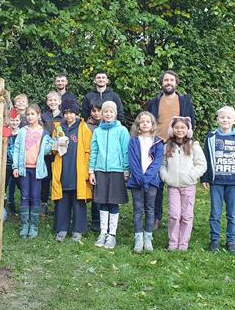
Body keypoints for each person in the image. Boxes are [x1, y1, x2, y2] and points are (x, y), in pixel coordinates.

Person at [146, 70, 196, 230]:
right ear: (162, 83)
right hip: (158, 145)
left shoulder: (184, 101)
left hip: (177, 145)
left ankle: (180, 216)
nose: (168, 82)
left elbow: (190, 123)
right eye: (166, 80)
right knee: (158, 183)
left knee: (179, 184)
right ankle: (156, 217)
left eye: (171, 80)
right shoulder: (154, 102)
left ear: (176, 83)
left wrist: (186, 140)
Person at [202, 106, 235, 254]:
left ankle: (231, 240)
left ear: (234, 120)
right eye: (222, 117)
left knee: (232, 214)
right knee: (215, 213)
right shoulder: (211, 137)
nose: (225, 120)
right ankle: (215, 240)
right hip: (216, 181)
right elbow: (206, 159)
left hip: (233, 182)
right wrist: (205, 177)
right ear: (217, 120)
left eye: (229, 118)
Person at [160, 117, 207, 251]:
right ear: (172, 130)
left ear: (188, 130)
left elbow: (201, 164)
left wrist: (191, 176)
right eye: (177, 127)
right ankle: (173, 242)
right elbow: (162, 165)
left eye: (183, 128)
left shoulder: (194, 146)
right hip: (173, 186)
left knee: (186, 215)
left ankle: (183, 244)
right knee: (174, 214)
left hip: (188, 186)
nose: (180, 130)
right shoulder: (167, 146)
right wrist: (166, 177)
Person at [88, 101, 130, 249]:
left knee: (113, 202)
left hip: (116, 170)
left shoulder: (122, 130)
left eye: (111, 112)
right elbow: (94, 151)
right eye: (105, 112)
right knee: (102, 201)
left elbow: (125, 151)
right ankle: (103, 232)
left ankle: (112, 234)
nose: (108, 114)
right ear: (102, 114)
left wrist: (126, 169)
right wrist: (91, 170)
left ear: (115, 113)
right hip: (100, 170)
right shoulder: (98, 131)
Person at [51, 98, 92, 242]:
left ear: (76, 113)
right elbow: (53, 150)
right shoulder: (58, 128)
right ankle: (62, 229)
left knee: (78, 201)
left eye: (72, 113)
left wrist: (87, 170)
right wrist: (56, 146)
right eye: (66, 113)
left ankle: (78, 230)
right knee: (62, 201)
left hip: (78, 171)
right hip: (63, 170)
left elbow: (88, 150)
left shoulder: (83, 128)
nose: (69, 116)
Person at [12, 104, 54, 239]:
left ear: (38, 115)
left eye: (33, 114)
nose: (30, 117)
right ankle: (24, 225)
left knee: (35, 197)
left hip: (37, 170)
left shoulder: (44, 133)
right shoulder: (22, 131)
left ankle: (34, 225)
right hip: (24, 169)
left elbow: (47, 150)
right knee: (24, 196)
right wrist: (16, 167)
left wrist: (56, 144)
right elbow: (17, 149)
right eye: (28, 114)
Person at [127, 111, 164, 253]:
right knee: (138, 210)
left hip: (152, 181)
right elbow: (133, 162)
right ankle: (138, 238)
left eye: (148, 121)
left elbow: (157, 163)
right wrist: (140, 179)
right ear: (138, 125)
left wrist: (147, 179)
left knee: (150, 209)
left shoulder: (158, 142)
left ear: (152, 124)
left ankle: (148, 237)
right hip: (136, 181)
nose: (145, 124)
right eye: (142, 122)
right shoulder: (133, 141)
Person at [41, 91, 63, 215]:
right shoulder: (44, 117)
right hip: (46, 154)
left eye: (55, 100)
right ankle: (43, 202)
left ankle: (58, 203)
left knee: (57, 178)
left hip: (58, 154)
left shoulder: (64, 117)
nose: (53, 102)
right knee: (45, 178)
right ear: (47, 102)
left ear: (59, 102)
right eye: (50, 100)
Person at [86, 100, 103, 232]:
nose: (96, 114)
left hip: (106, 163)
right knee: (95, 192)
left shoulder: (108, 125)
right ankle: (96, 220)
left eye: (99, 110)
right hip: (92, 161)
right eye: (94, 111)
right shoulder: (87, 126)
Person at [5, 111, 21, 215]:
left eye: (16, 120)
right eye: (12, 120)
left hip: (18, 164)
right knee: (5, 186)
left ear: (20, 121)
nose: (14, 122)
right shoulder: (5, 132)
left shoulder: (22, 132)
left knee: (20, 185)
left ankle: (22, 208)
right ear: (8, 120)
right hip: (6, 164)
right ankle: (6, 206)